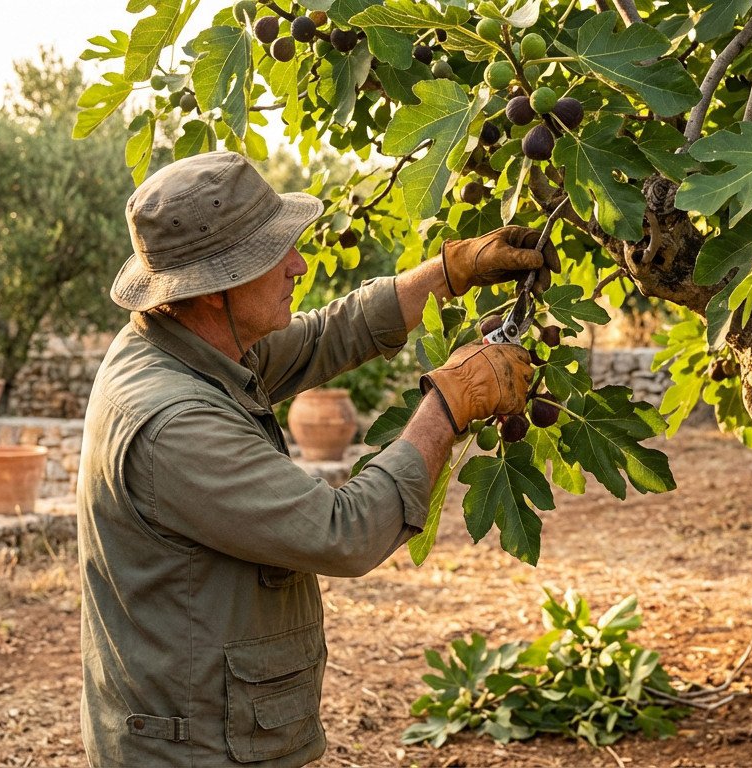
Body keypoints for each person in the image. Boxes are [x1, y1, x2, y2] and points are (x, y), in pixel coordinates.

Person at [76, 150, 558, 766]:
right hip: (193, 753)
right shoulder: (176, 425)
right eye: (272, 253)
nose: (298, 265)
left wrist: (450, 271)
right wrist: (451, 402)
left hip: (204, 728)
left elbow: (326, 334)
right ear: (215, 287)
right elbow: (344, 533)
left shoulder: (182, 341)